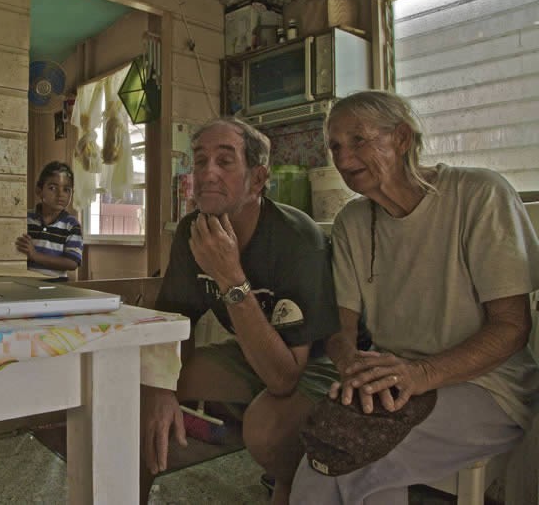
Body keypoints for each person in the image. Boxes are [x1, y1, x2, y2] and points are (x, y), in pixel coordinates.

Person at [291, 90, 539, 504]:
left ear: (402, 138)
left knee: (349, 457)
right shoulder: (353, 221)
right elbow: (341, 325)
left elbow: (513, 328)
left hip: (490, 388)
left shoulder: (479, 195)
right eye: (335, 145)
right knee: (329, 453)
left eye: (358, 140)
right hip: (396, 383)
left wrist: (418, 375)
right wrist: (353, 367)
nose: (343, 156)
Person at [141, 117, 343, 504]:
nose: (208, 173)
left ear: (258, 178)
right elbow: (173, 323)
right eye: (200, 162)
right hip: (250, 354)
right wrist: (161, 388)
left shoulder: (297, 239)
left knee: (266, 430)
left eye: (225, 160)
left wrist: (230, 277)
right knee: (143, 391)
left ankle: (288, 482)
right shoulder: (192, 231)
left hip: (315, 363)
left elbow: (284, 377)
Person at [15, 161, 82, 281]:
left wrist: (35, 256)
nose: (60, 194)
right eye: (52, 188)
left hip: (57, 290)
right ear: (39, 191)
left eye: (66, 190)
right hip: (26, 285)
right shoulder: (25, 219)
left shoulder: (71, 225)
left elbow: (72, 263)